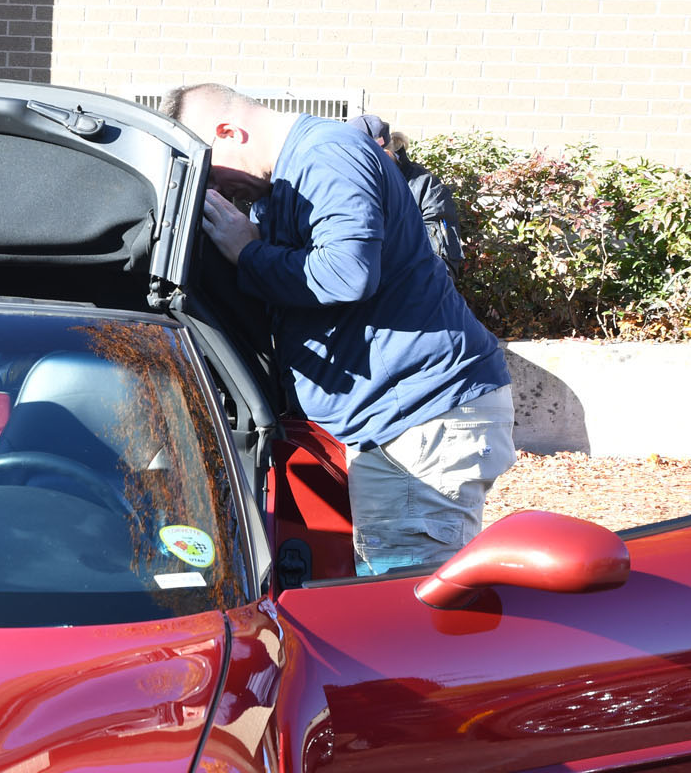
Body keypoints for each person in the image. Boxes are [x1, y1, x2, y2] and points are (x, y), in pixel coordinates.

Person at [166, 83, 514, 576]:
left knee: (404, 603)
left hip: (419, 414)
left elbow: (347, 273)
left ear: (229, 131)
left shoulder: (327, 155)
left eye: (211, 172)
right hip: (395, 418)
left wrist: (248, 252)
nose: (217, 191)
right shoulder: (286, 182)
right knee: (384, 592)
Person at [348, 112, 464, 279]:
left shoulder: (425, 187)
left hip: (407, 290)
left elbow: (443, 265)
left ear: (386, 155)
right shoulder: (342, 185)